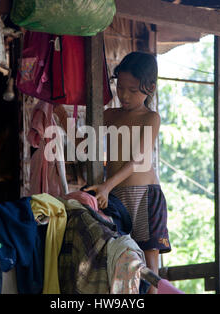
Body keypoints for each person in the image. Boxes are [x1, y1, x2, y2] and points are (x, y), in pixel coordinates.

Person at [84, 52, 171, 294]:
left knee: (149, 260)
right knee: (119, 255)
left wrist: (106, 186)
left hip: (144, 197)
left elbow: (140, 159)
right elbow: (84, 142)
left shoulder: (151, 118)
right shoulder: (110, 115)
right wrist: (62, 120)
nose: (123, 95)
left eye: (132, 90)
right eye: (120, 87)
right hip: (114, 196)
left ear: (150, 88)